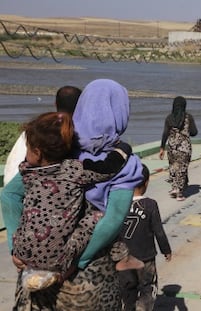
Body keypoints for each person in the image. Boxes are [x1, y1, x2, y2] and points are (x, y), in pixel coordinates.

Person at [1, 79, 144, 310]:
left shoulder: (59, 147)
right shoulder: (126, 165)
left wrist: (15, 248)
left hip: (37, 274)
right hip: (89, 280)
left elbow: (9, 196)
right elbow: (112, 221)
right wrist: (77, 261)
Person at [113, 164, 172, 311]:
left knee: (127, 291)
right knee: (147, 289)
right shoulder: (150, 204)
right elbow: (158, 231)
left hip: (124, 259)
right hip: (145, 257)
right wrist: (166, 250)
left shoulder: (118, 203)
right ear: (146, 182)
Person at [3, 85, 82, 186]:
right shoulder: (80, 135)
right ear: (82, 106)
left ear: (55, 103)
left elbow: (12, 171)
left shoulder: (36, 130)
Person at [159, 96, 198, 201]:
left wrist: (162, 148)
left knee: (173, 167)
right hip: (184, 148)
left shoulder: (169, 118)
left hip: (172, 147)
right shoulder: (188, 117)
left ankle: (174, 188)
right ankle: (179, 193)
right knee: (182, 169)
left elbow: (165, 134)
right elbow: (194, 132)